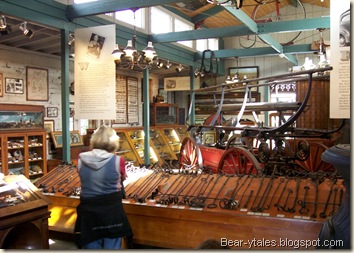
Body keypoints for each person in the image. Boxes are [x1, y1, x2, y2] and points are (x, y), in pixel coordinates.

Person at [74, 125, 133, 249]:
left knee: (91, 242)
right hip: (111, 210)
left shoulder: (81, 159)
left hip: (89, 210)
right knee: (112, 245)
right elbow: (122, 178)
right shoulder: (118, 161)